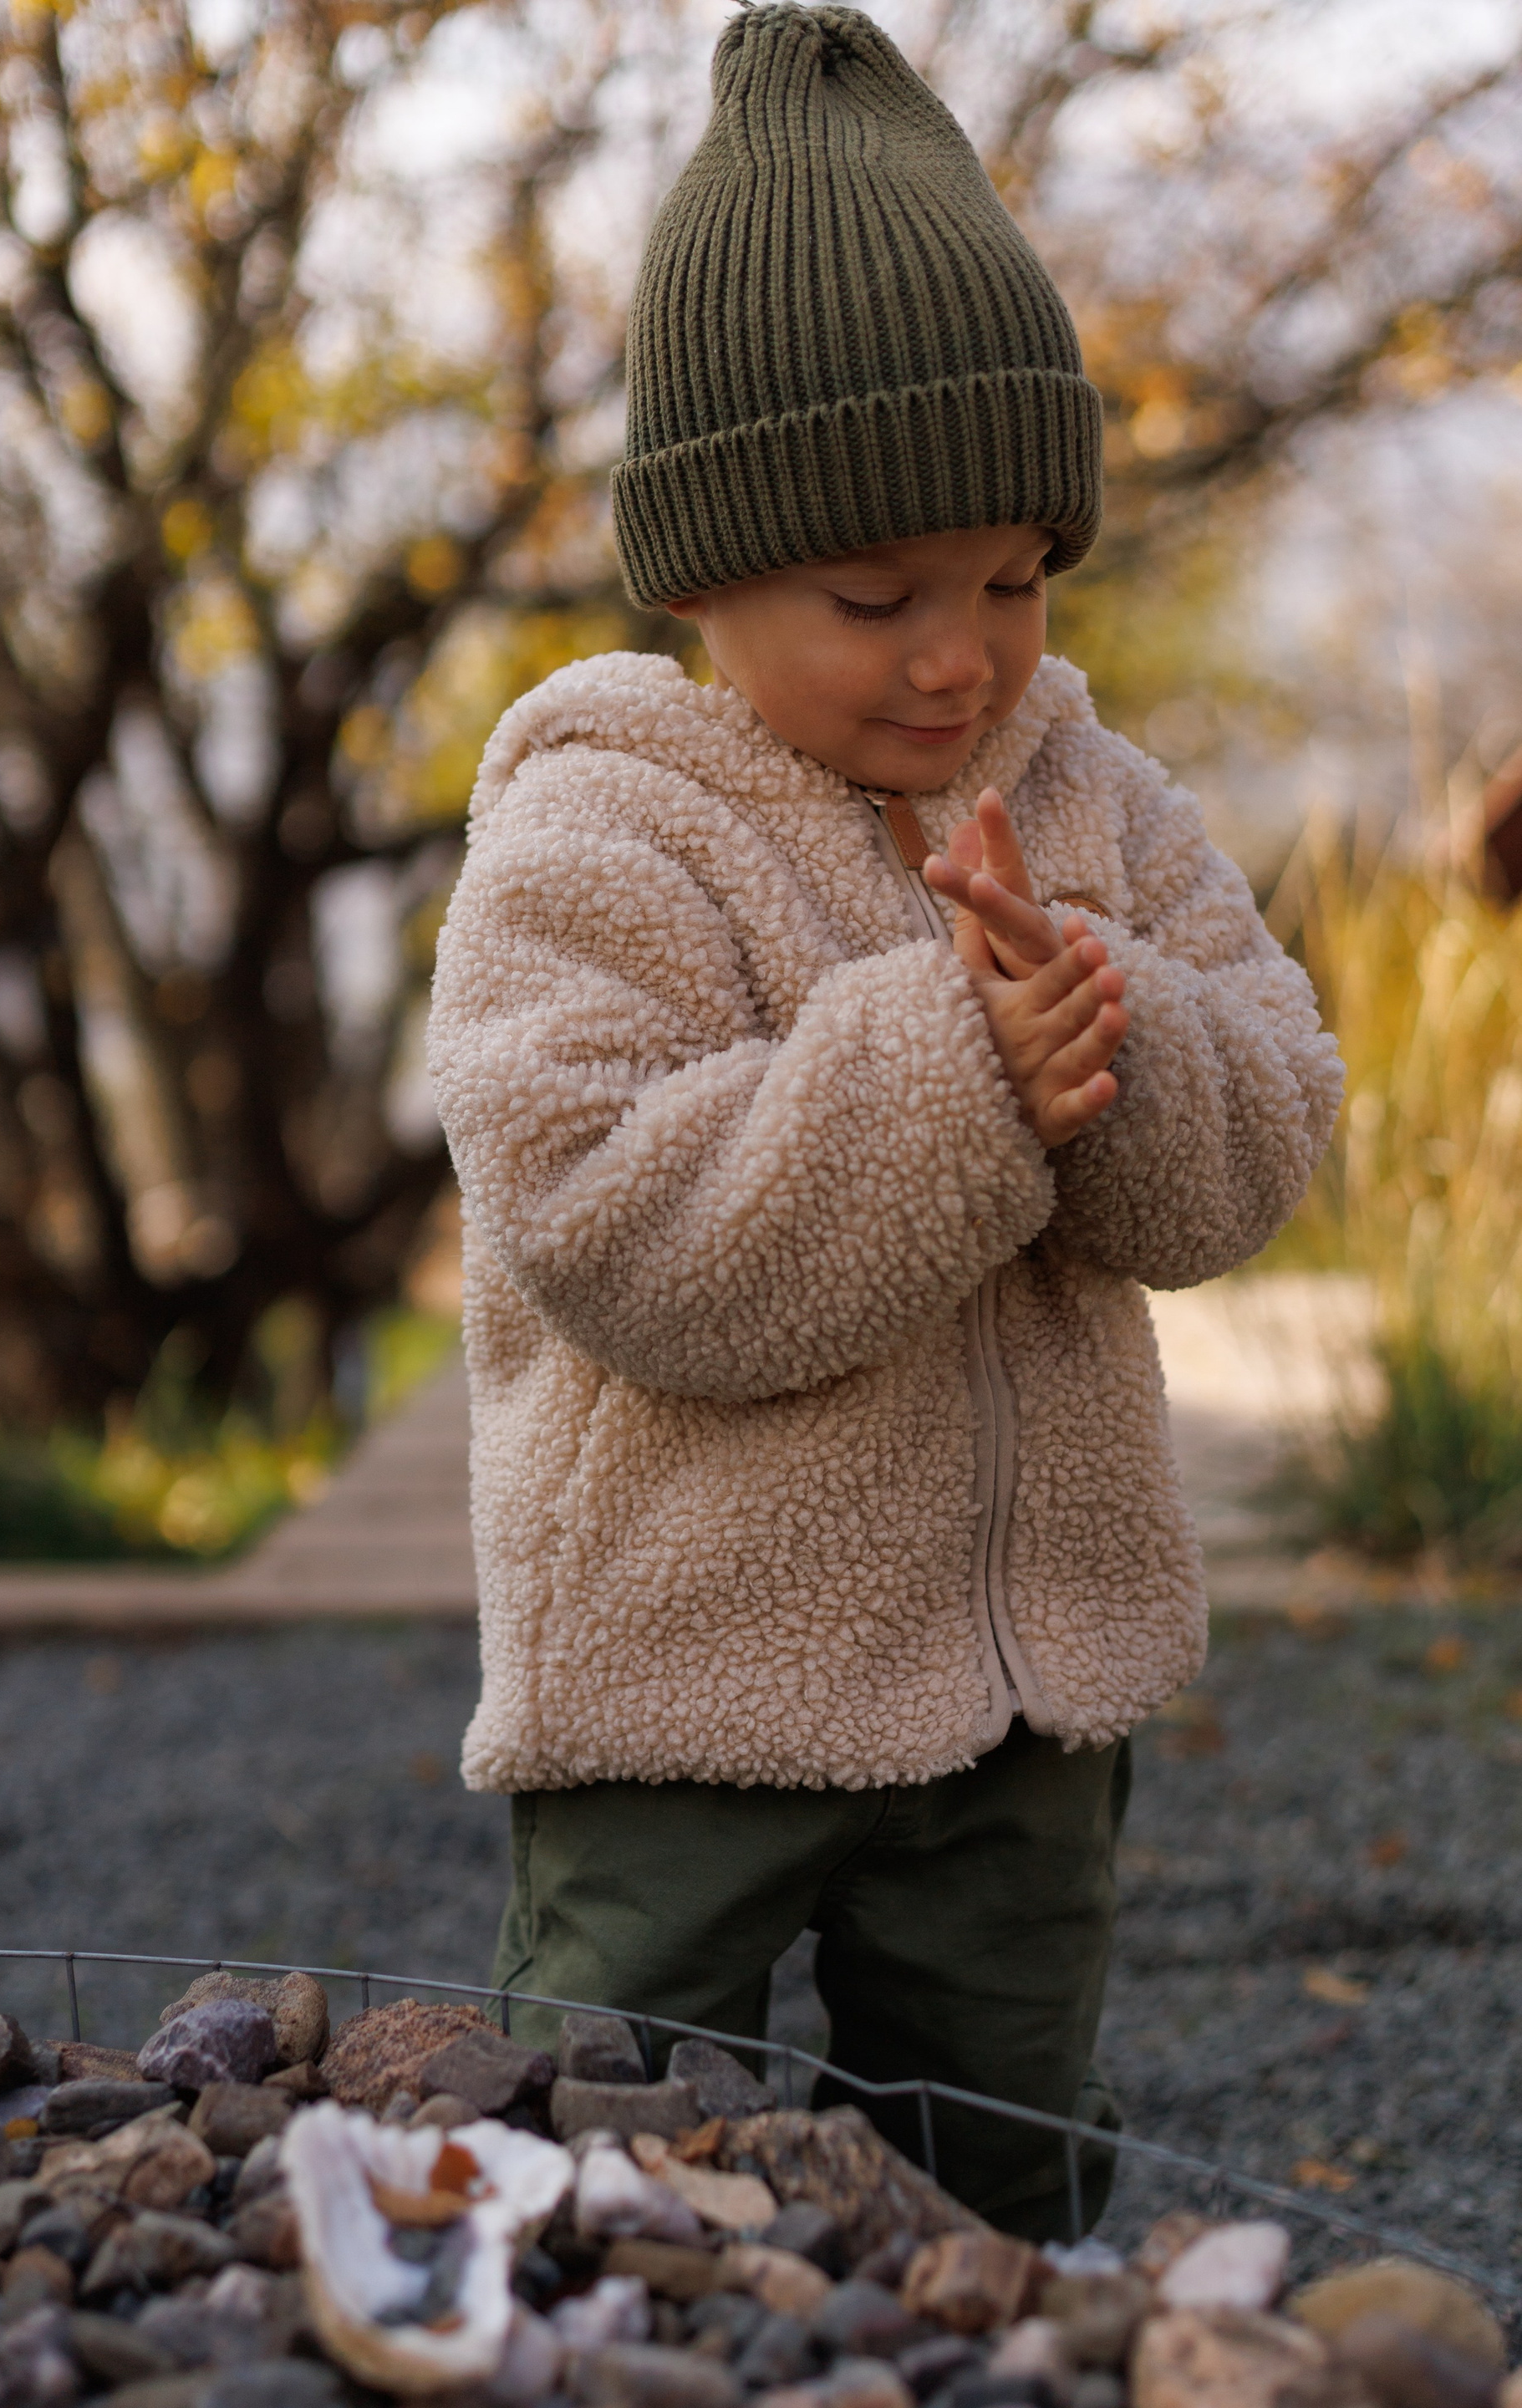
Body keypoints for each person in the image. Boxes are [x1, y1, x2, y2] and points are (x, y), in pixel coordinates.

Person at [428, 2, 1342, 2239]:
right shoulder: (598, 827)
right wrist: (956, 1066)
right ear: (701, 573)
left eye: (1016, 578)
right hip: (682, 1683)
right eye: (877, 598)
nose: (962, 656)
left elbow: (1270, 1115)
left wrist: (1105, 1040)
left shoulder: (1094, 798)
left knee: (994, 2176)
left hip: (1034, 1693)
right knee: (606, 2154)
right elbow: (611, 1220)